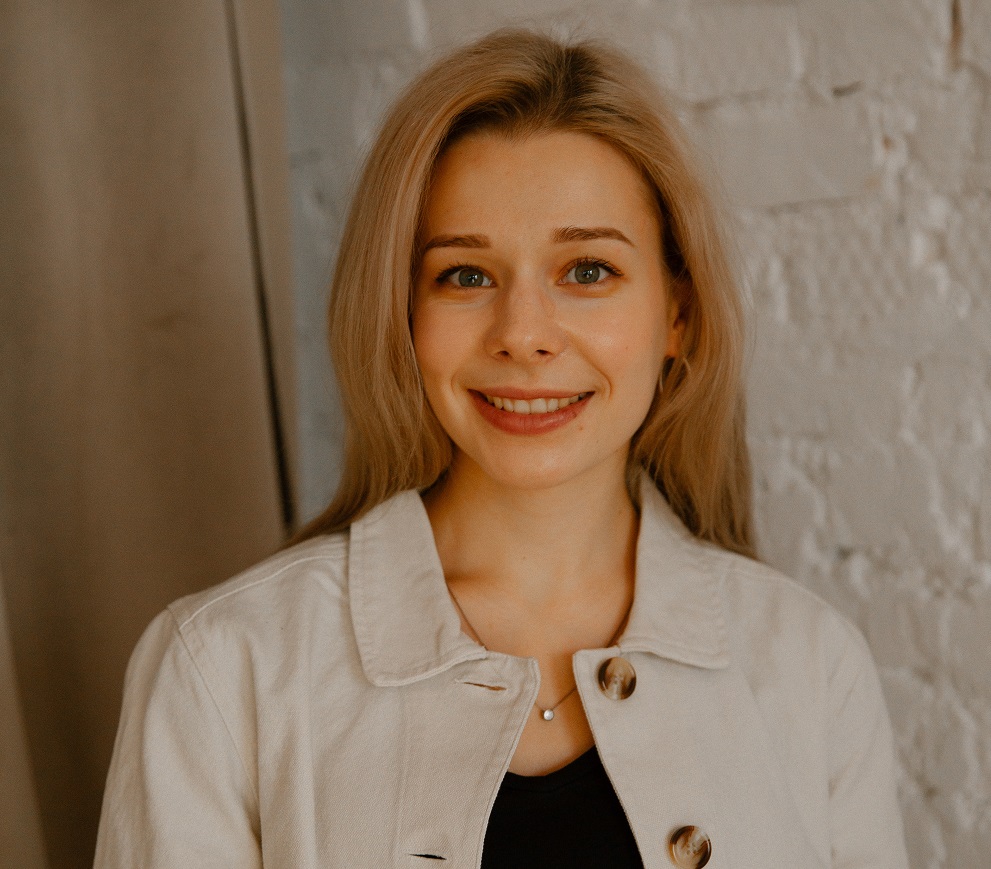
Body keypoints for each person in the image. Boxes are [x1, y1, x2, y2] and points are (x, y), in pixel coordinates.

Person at [94, 28, 908, 868]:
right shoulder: (222, 668)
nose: (523, 335)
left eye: (586, 270)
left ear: (678, 314)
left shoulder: (811, 665)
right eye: (465, 275)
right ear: (402, 315)